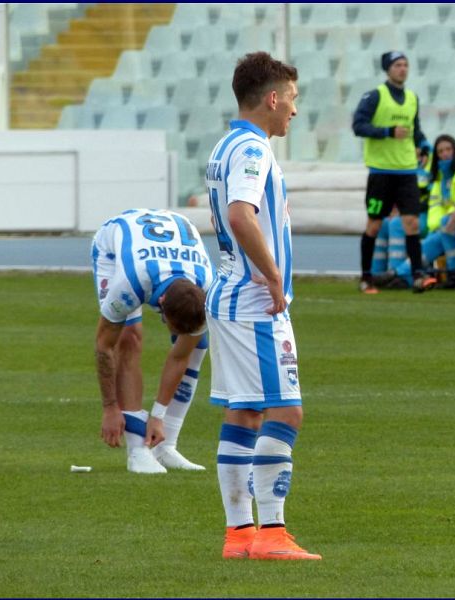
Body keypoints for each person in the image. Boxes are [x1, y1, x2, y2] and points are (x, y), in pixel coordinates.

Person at [204, 52, 321, 560]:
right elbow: (240, 215)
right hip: (253, 302)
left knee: (245, 411)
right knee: (286, 411)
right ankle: (271, 534)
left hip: (230, 297)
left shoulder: (227, 144)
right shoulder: (253, 150)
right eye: (292, 99)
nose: (294, 110)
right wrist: (273, 276)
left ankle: (239, 536)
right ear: (272, 98)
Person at [92, 209, 212, 474]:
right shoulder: (130, 283)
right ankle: (137, 451)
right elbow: (104, 345)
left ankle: (165, 445)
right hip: (114, 247)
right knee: (129, 338)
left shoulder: (207, 288)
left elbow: (180, 355)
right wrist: (110, 408)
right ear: (160, 304)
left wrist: (158, 415)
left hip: (171, 246)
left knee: (198, 347)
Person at [352, 50, 432, 294]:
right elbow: (358, 126)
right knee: (374, 225)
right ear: (388, 69)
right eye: (398, 65)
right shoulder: (375, 96)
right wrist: (387, 132)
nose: (403, 69)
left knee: (411, 222)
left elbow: (414, 129)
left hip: (407, 171)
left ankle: (419, 275)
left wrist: (424, 145)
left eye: (406, 65)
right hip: (381, 172)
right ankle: (366, 278)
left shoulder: (412, 98)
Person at [374, 134, 455, 290]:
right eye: (441, 151)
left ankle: (398, 274)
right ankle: (381, 274)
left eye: (448, 149)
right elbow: (435, 204)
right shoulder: (440, 174)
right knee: (386, 224)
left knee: (403, 227)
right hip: (442, 223)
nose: (444, 154)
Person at [371, 146, 431, 275]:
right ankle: (376, 274)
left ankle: (396, 273)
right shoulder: (403, 169)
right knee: (381, 223)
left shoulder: (429, 170)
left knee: (397, 224)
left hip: (426, 216)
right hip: (410, 213)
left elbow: (429, 198)